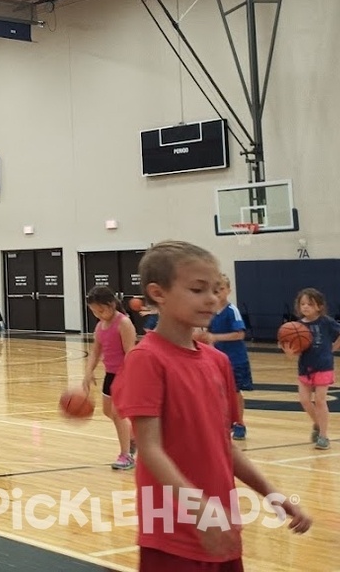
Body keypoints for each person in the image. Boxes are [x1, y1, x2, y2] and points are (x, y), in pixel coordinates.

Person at [113, 240, 311, 570]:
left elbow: (225, 446)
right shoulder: (146, 360)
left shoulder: (217, 362)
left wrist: (274, 495)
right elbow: (150, 448)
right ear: (158, 293)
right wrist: (199, 509)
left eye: (216, 289)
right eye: (197, 289)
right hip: (175, 530)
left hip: (221, 526)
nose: (212, 299)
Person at [81, 286, 136, 470]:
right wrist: (88, 372)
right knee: (107, 411)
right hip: (110, 374)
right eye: (94, 311)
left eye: (101, 310)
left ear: (112, 304)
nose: (98, 314)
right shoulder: (100, 326)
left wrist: (128, 378)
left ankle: (126, 455)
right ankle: (133, 436)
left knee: (118, 413)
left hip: (125, 374)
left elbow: (130, 353)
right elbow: (96, 352)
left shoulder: (124, 323)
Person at [285, 287, 340, 450]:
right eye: (302, 304)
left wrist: (334, 348)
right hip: (305, 367)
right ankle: (317, 424)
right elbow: (293, 351)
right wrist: (289, 352)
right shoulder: (297, 326)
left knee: (320, 400)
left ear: (319, 306)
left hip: (323, 366)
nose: (305, 307)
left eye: (310, 304)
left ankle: (323, 436)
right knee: (304, 400)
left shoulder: (326, 322)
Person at [202, 274, 253, 441]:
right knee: (217, 392)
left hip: (235, 359)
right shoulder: (210, 312)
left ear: (229, 291)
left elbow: (240, 334)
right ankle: (224, 422)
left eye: (221, 289)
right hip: (216, 360)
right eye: (215, 290)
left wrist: (216, 337)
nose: (218, 293)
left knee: (235, 392)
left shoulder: (232, 311)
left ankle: (240, 423)